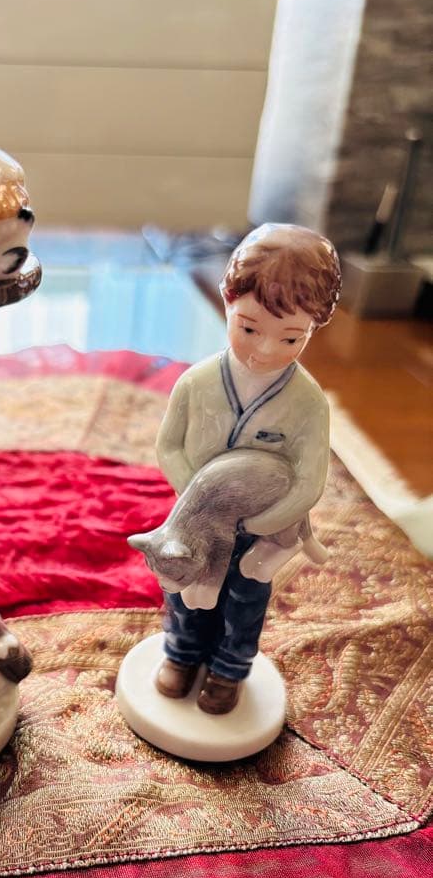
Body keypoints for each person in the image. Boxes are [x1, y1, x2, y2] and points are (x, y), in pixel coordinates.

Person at [154, 223, 341, 714]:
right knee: (187, 588)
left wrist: (262, 521)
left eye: (290, 337)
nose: (264, 350)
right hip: (197, 519)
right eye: (249, 328)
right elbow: (169, 445)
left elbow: (309, 478)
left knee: (245, 597)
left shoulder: (308, 403)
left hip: (263, 527)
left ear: (313, 328)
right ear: (227, 301)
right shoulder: (196, 383)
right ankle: (182, 653)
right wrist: (196, 498)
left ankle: (228, 669)